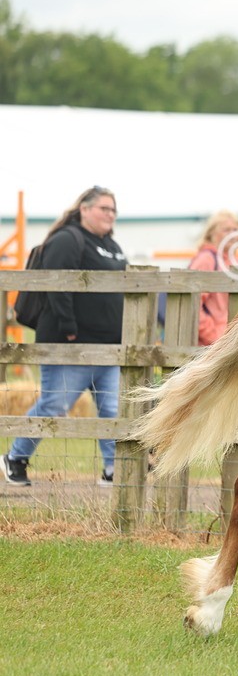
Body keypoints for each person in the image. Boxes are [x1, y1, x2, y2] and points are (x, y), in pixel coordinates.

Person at [3, 186, 127, 487]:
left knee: (112, 409)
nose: (110, 214)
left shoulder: (112, 246)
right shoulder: (67, 239)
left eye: (113, 210)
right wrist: (70, 329)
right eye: (103, 208)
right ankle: (15, 458)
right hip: (69, 345)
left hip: (108, 347)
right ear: (84, 209)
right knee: (55, 405)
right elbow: (56, 286)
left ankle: (112, 469)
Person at [189, 211, 238, 346]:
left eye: (236, 230)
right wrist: (214, 337)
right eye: (226, 230)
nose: (233, 234)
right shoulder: (206, 259)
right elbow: (192, 303)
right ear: (211, 233)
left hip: (234, 342)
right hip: (212, 347)